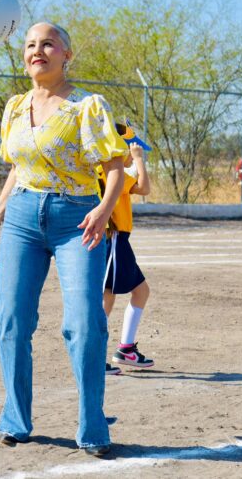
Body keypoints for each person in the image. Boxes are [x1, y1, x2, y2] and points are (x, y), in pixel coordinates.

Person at [0, 21, 127, 457]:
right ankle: (15, 418)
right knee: (12, 318)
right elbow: (18, 168)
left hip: (76, 220)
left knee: (84, 322)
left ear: (66, 55)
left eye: (48, 44)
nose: (37, 51)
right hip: (22, 218)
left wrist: (103, 210)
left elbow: (115, 167)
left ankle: (93, 425)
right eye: (30, 44)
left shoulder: (87, 107)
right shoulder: (14, 107)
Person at [100, 125, 154, 375]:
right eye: (130, 149)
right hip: (113, 238)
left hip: (119, 241)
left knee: (140, 291)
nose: (132, 154)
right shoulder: (113, 171)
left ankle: (126, 349)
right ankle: (95, 356)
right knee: (106, 297)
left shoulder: (107, 169)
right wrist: (139, 160)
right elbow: (144, 188)